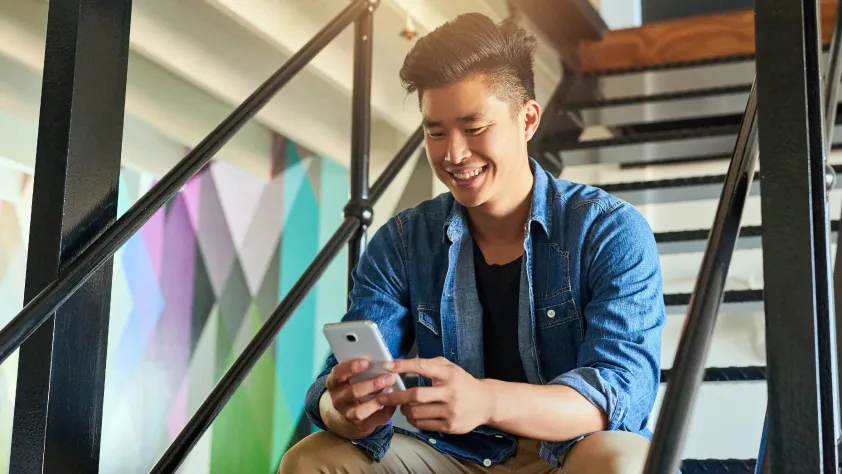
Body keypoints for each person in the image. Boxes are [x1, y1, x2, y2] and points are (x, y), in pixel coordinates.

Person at [280, 12, 665, 474]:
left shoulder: (608, 230)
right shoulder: (404, 241)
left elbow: (620, 391)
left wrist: (487, 401)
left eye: (474, 127)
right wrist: (342, 409)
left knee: (625, 463)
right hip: (456, 456)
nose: (454, 155)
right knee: (312, 459)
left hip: (569, 452)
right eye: (435, 132)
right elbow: (335, 383)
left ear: (527, 119)